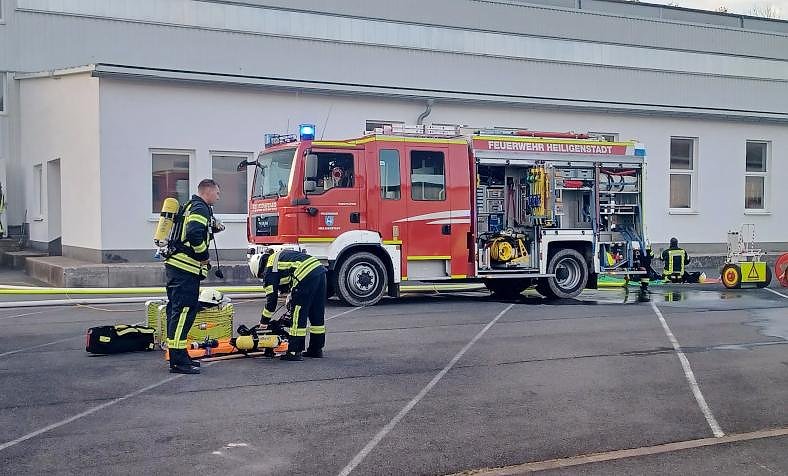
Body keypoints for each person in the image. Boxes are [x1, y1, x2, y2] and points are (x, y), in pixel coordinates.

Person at [164, 179, 223, 374]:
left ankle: (178, 356)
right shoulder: (200, 207)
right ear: (208, 191)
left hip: (176, 267)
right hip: (186, 269)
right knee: (183, 314)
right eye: (217, 193)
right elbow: (194, 232)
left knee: (176, 312)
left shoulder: (190, 206)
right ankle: (179, 360)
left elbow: (193, 230)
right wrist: (204, 257)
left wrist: (212, 228)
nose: (218, 196)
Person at [250, 249, 326, 361]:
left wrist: (264, 322)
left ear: (259, 270)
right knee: (316, 314)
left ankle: (294, 352)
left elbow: (271, 300)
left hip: (305, 275)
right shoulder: (277, 258)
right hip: (319, 271)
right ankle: (316, 350)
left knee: (298, 314)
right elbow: (288, 276)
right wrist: (291, 295)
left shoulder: (269, 271)